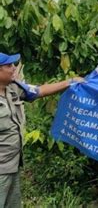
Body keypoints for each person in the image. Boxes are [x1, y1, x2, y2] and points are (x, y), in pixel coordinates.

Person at [0, 52, 83, 208]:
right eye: (9, 66)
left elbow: (39, 91)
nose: (14, 69)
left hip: (13, 165)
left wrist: (70, 82)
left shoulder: (12, 89)